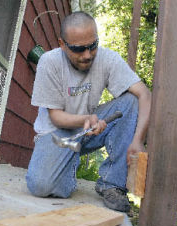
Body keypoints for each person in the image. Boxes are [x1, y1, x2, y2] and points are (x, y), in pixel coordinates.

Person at [26, 11, 151, 212]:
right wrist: (86, 119)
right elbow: (55, 117)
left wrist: (138, 140)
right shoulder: (49, 62)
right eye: (78, 49)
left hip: (89, 129)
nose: (87, 55)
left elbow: (144, 94)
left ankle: (112, 184)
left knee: (131, 101)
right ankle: (68, 164)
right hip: (56, 134)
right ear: (62, 44)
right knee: (40, 186)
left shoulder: (107, 58)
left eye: (93, 46)